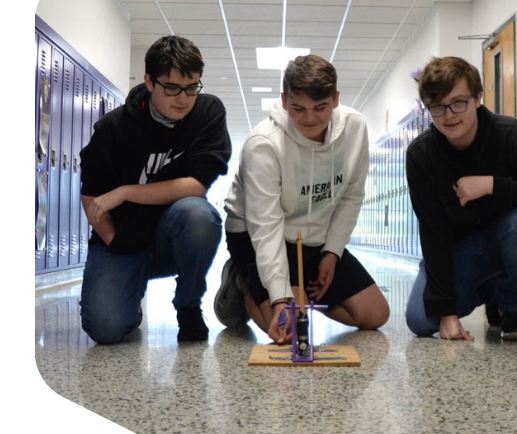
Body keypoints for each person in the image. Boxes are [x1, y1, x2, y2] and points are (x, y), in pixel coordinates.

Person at [216, 55, 388, 342]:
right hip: (256, 235)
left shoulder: (355, 129)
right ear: (284, 101)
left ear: (335, 99)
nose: (309, 118)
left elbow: (351, 196)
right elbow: (265, 226)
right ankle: (240, 278)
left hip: (314, 237)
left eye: (320, 107)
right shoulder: (264, 145)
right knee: (289, 331)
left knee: (374, 315)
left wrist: (332, 253)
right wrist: (281, 299)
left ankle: (301, 298)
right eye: (298, 108)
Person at [405, 56, 517, 340]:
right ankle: (493, 291)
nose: (449, 115)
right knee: (420, 320)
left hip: (513, 233)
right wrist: (446, 313)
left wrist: (493, 185)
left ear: (478, 98)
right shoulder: (421, 155)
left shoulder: (512, 135)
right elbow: (433, 234)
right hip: (463, 251)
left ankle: (512, 307)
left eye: (459, 102)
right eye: (437, 106)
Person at [79, 36, 231, 345]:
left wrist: (124, 191)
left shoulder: (208, 113)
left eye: (191, 87)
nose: (183, 98)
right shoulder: (113, 128)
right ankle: (129, 297)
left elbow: (195, 187)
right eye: (172, 88)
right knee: (106, 329)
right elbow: (92, 195)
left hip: (174, 236)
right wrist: (113, 240)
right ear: (149, 82)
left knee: (199, 214)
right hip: (124, 238)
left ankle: (188, 306)